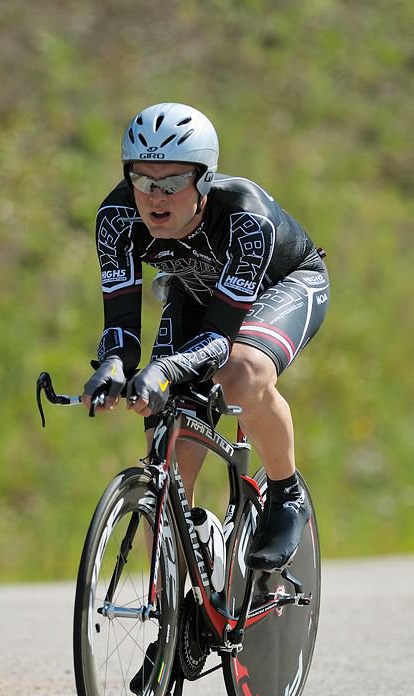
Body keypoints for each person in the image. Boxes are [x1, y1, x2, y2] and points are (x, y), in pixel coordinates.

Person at [81, 102, 329, 577]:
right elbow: (122, 329)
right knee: (164, 442)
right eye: (142, 180)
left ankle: (286, 492)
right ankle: (175, 602)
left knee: (241, 374)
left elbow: (218, 340)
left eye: (173, 182)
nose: (156, 197)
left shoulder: (245, 217)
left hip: (281, 285)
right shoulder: (116, 218)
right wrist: (112, 366)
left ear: (205, 180)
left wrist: (162, 369)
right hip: (196, 290)